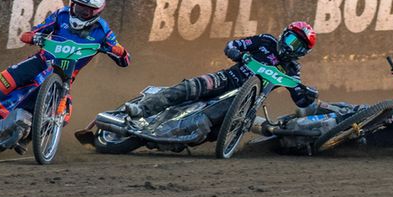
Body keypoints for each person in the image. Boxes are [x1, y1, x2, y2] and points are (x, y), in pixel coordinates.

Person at [0, 0, 131, 144]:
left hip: (64, 77)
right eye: (77, 6)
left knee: (64, 114)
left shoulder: (103, 31)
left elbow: (124, 60)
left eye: (85, 11)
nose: (79, 12)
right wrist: (34, 36)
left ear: (96, 12)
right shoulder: (61, 15)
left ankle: (26, 138)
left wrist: (120, 52)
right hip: (40, 62)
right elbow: (30, 33)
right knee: (2, 83)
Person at [124, 21, 319, 119]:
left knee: (220, 120)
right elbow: (234, 45)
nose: (292, 47)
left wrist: (308, 96)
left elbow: (299, 98)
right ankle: (142, 109)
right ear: (284, 34)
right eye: (291, 40)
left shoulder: (292, 69)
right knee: (191, 87)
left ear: (304, 53)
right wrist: (237, 53)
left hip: (246, 101)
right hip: (227, 78)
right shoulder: (266, 41)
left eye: (299, 47)